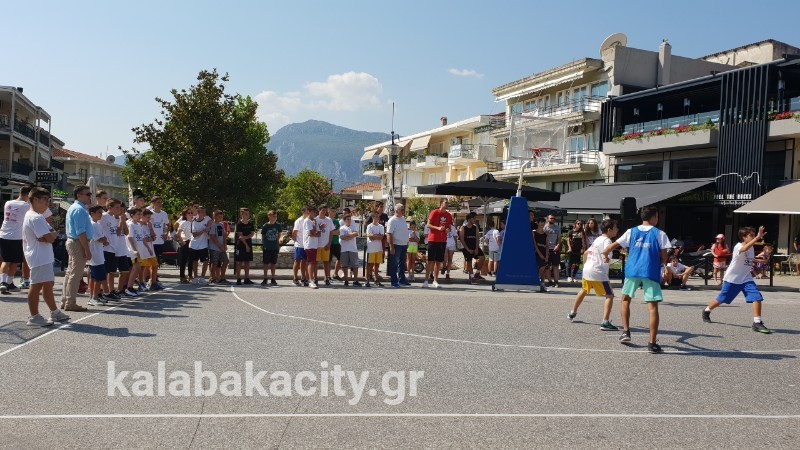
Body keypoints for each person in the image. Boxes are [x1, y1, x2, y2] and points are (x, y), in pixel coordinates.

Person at [602, 206, 672, 354]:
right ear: (654, 217)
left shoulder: (631, 231)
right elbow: (665, 256)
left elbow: (613, 245)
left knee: (625, 300)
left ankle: (626, 332)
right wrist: (662, 266)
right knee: (652, 307)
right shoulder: (660, 234)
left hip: (632, 270)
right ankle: (652, 344)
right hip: (650, 271)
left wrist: (606, 253)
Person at [703, 226, 771, 333]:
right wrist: (757, 237)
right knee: (723, 298)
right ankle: (707, 310)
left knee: (756, 296)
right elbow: (743, 250)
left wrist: (759, 261)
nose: (754, 237)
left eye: (754, 235)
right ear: (744, 237)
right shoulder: (738, 246)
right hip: (733, 278)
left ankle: (757, 322)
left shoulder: (751, 247)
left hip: (746, 278)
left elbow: (749, 258)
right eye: (751, 235)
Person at [23, 188, 70, 326]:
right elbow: (50, 238)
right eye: (45, 200)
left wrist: (50, 235)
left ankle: (55, 312)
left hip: (42, 255)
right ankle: (34, 317)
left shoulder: (36, 216)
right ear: (35, 199)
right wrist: (51, 235)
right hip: (39, 256)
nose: (47, 203)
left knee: (48, 284)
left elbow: (51, 235)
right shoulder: (36, 217)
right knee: (36, 285)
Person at [569, 219, 619, 331]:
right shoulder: (607, 241)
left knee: (584, 290)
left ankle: (572, 312)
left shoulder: (598, 239)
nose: (617, 230)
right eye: (616, 228)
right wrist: (606, 258)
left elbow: (586, 253)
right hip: (598, 271)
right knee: (610, 295)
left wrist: (586, 265)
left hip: (587, 269)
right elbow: (606, 254)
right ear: (609, 230)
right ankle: (605, 322)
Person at [60, 185, 93, 312]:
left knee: (70, 273)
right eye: (88, 194)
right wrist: (87, 249)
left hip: (73, 241)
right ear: (79, 195)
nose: (89, 196)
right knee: (76, 274)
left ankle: (65, 300)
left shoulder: (74, 207)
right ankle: (70, 302)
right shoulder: (79, 210)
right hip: (78, 242)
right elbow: (81, 232)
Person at [0, 185, 32, 294]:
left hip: (3, 234)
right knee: (14, 262)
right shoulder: (27, 206)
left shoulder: (8, 203)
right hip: (17, 236)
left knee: (5, 260)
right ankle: (9, 283)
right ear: (28, 195)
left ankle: (3, 282)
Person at [424, 198, 452, 289]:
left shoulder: (448, 215)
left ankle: (435, 281)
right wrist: (438, 228)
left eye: (448, 203)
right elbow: (428, 225)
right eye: (446, 203)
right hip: (433, 239)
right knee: (430, 260)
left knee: (438, 261)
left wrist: (447, 230)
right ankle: (426, 280)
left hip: (442, 240)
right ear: (441, 203)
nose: (447, 204)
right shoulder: (434, 212)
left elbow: (449, 227)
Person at [99, 199, 122, 301]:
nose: (119, 209)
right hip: (106, 248)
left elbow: (116, 232)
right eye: (117, 207)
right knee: (104, 271)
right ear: (110, 207)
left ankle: (109, 290)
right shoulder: (104, 216)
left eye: (119, 207)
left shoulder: (113, 218)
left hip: (113, 247)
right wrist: (103, 239)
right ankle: (102, 291)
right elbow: (98, 227)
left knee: (110, 271)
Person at [87, 205, 110, 306]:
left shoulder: (97, 224)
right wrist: (104, 239)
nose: (101, 214)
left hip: (98, 253)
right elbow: (100, 238)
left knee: (93, 277)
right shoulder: (93, 225)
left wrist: (104, 240)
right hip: (96, 254)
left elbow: (103, 238)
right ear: (92, 214)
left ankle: (92, 296)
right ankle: (94, 297)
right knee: (99, 277)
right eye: (99, 212)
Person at [386, 204, 410, 288]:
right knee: (394, 264)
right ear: (397, 210)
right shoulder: (392, 221)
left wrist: (407, 242)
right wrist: (391, 246)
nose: (403, 211)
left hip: (403, 244)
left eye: (403, 209)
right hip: (396, 245)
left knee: (402, 264)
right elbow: (389, 234)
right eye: (402, 209)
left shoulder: (402, 219)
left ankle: (402, 279)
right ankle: (394, 281)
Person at [147, 196, 169, 289]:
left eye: (161, 202)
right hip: (151, 242)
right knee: (152, 263)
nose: (160, 204)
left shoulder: (164, 214)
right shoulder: (149, 213)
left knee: (156, 263)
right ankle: (151, 281)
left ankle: (153, 280)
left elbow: (166, 225)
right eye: (158, 202)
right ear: (153, 203)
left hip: (160, 241)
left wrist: (166, 233)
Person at [460, 212, 486, 284]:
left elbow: (477, 238)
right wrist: (468, 249)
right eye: (474, 218)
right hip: (466, 247)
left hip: (474, 246)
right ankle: (472, 277)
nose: (475, 219)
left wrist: (477, 248)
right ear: (469, 219)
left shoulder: (475, 227)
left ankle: (477, 274)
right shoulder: (463, 228)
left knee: (482, 258)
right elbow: (461, 239)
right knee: (469, 261)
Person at [189, 206, 211, 285]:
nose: (204, 213)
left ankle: (202, 278)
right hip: (194, 245)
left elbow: (211, 221)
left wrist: (208, 226)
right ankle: (195, 278)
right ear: (198, 213)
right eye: (203, 212)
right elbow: (194, 234)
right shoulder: (194, 222)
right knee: (195, 261)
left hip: (203, 245)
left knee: (206, 261)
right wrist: (204, 230)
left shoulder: (206, 219)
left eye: (205, 212)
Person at [140, 209, 160, 290]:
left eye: (150, 217)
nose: (149, 219)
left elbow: (154, 237)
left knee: (155, 265)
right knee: (143, 267)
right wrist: (150, 239)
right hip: (143, 249)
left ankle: (153, 282)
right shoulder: (140, 226)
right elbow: (143, 239)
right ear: (142, 216)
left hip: (151, 249)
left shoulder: (148, 225)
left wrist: (151, 228)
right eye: (148, 217)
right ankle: (142, 282)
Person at [339, 214, 362, 286]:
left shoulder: (353, 226)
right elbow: (342, 237)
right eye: (347, 219)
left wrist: (348, 236)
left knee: (355, 265)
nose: (349, 221)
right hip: (344, 249)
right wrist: (350, 235)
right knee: (344, 265)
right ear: (344, 220)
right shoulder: (342, 228)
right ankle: (346, 280)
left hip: (353, 249)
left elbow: (356, 233)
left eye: (350, 219)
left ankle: (355, 280)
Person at [260, 210, 282, 286]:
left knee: (273, 263)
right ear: (269, 216)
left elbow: (279, 235)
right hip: (267, 247)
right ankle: (265, 278)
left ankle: (273, 278)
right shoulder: (265, 226)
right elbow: (263, 236)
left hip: (275, 247)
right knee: (265, 263)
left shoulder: (278, 225)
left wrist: (280, 240)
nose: (275, 217)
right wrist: (264, 245)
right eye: (273, 216)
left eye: (276, 216)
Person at [208, 210, 230, 284]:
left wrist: (225, 245)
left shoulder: (221, 225)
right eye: (219, 217)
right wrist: (220, 246)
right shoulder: (213, 225)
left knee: (226, 261)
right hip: (214, 248)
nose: (221, 218)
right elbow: (213, 237)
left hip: (222, 248)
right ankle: (213, 278)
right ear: (214, 217)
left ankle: (222, 278)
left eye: (221, 217)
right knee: (214, 263)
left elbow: (224, 236)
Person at [234, 208, 255, 285]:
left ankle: (247, 278)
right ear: (242, 214)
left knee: (247, 262)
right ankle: (238, 278)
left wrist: (245, 237)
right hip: (241, 245)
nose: (247, 215)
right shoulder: (239, 224)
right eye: (246, 214)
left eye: (248, 214)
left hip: (249, 244)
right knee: (239, 262)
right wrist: (246, 245)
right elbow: (240, 236)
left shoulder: (250, 223)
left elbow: (252, 234)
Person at [315, 205, 335, 286]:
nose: (324, 212)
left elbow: (331, 232)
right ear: (319, 210)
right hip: (316, 245)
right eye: (322, 210)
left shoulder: (329, 220)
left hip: (325, 244)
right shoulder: (315, 219)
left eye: (325, 210)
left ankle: (326, 278)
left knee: (326, 262)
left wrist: (329, 243)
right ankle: (315, 278)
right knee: (315, 262)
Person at [303, 206, 321, 289]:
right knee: (311, 262)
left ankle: (310, 279)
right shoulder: (307, 221)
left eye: (315, 212)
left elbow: (318, 234)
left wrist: (315, 232)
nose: (315, 214)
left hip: (314, 245)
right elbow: (312, 233)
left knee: (313, 262)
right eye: (313, 212)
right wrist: (315, 232)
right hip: (309, 245)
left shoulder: (314, 221)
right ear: (308, 212)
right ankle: (311, 281)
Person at [366, 211, 385, 287]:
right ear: (373, 217)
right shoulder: (369, 226)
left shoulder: (381, 227)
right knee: (370, 265)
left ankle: (376, 279)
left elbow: (381, 237)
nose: (378, 218)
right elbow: (370, 237)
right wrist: (377, 236)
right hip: (371, 248)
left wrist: (374, 236)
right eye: (376, 217)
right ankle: (367, 279)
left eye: (378, 217)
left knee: (377, 264)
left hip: (378, 248)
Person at [544, 215, 562, 288]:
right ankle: (549, 281)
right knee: (547, 266)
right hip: (546, 249)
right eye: (551, 218)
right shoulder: (544, 227)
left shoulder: (557, 227)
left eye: (554, 218)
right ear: (547, 219)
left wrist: (558, 245)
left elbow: (559, 238)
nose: (553, 219)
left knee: (556, 265)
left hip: (554, 249)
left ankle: (556, 281)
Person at [176, 209, 193, 283]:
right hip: (185, 242)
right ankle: (182, 276)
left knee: (191, 260)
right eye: (189, 213)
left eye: (191, 213)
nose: (190, 214)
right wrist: (182, 242)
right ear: (185, 215)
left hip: (192, 242)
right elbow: (178, 233)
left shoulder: (194, 222)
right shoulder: (183, 223)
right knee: (184, 260)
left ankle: (190, 275)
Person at [292, 207, 308, 286]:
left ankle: (303, 277)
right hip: (299, 244)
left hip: (306, 244)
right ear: (303, 212)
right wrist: (296, 242)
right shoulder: (299, 220)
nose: (308, 213)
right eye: (307, 211)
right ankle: (295, 278)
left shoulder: (309, 220)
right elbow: (294, 232)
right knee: (297, 261)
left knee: (304, 261)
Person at [533, 217, 550, 293]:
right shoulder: (533, 232)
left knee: (544, 270)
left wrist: (547, 256)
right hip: (536, 253)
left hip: (544, 253)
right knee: (541, 267)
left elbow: (547, 245)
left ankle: (542, 284)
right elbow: (535, 245)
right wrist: (540, 254)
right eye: (541, 222)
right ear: (537, 223)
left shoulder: (545, 234)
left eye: (543, 222)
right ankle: (536, 281)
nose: (542, 223)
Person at [329, 206, 341, 281]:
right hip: (329, 243)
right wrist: (333, 232)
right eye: (332, 211)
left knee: (340, 258)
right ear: (329, 211)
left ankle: (335, 274)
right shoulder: (327, 220)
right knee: (328, 260)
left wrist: (332, 233)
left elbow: (339, 232)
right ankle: (328, 275)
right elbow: (326, 233)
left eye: (335, 211)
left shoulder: (337, 221)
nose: (334, 213)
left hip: (336, 242)